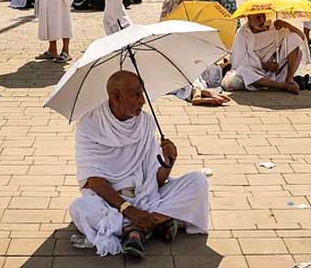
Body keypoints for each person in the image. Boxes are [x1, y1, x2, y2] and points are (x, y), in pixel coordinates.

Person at [68, 70, 209, 258]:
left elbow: (156, 181)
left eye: (143, 94)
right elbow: (94, 181)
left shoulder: (144, 123)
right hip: (110, 202)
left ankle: (135, 230)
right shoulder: (90, 125)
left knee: (198, 181)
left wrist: (168, 163)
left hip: (147, 194)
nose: (142, 101)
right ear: (117, 97)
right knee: (80, 207)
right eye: (136, 95)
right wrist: (129, 210)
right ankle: (155, 222)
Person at [222, 13, 309, 94]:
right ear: (249, 18)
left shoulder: (273, 28)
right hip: (254, 72)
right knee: (242, 70)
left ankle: (289, 79)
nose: (261, 20)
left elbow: (300, 37)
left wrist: (288, 26)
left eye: (263, 16)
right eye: (257, 18)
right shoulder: (242, 34)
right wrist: (265, 65)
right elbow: (239, 61)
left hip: (274, 71)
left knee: (294, 41)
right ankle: (282, 86)